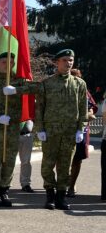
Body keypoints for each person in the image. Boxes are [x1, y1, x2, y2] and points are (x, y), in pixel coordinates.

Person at [0, 52, 38, 207]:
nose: (7, 64)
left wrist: (16, 90)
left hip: (12, 129)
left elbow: (37, 87)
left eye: (10, 62)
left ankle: (4, 190)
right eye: (4, 62)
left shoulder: (19, 81)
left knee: (9, 160)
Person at [35, 49, 88, 210]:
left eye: (71, 60)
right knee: (47, 165)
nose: (68, 63)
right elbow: (40, 108)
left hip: (69, 132)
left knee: (65, 166)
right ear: (57, 62)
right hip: (50, 131)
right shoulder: (47, 83)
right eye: (65, 60)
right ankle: (49, 196)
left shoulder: (79, 84)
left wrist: (81, 129)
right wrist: (40, 129)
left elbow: (83, 108)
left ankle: (61, 197)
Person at [66, 68, 98, 197]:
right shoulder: (62, 90)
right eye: (73, 77)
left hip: (81, 130)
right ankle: (63, 182)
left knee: (77, 159)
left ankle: (72, 186)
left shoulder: (85, 91)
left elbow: (92, 109)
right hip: (64, 129)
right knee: (61, 158)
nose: (76, 79)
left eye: (78, 77)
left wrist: (88, 114)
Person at [17, 119, 36, 192]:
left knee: (26, 161)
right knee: (9, 161)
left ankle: (25, 184)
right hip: (12, 135)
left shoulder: (29, 108)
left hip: (28, 135)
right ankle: (5, 184)